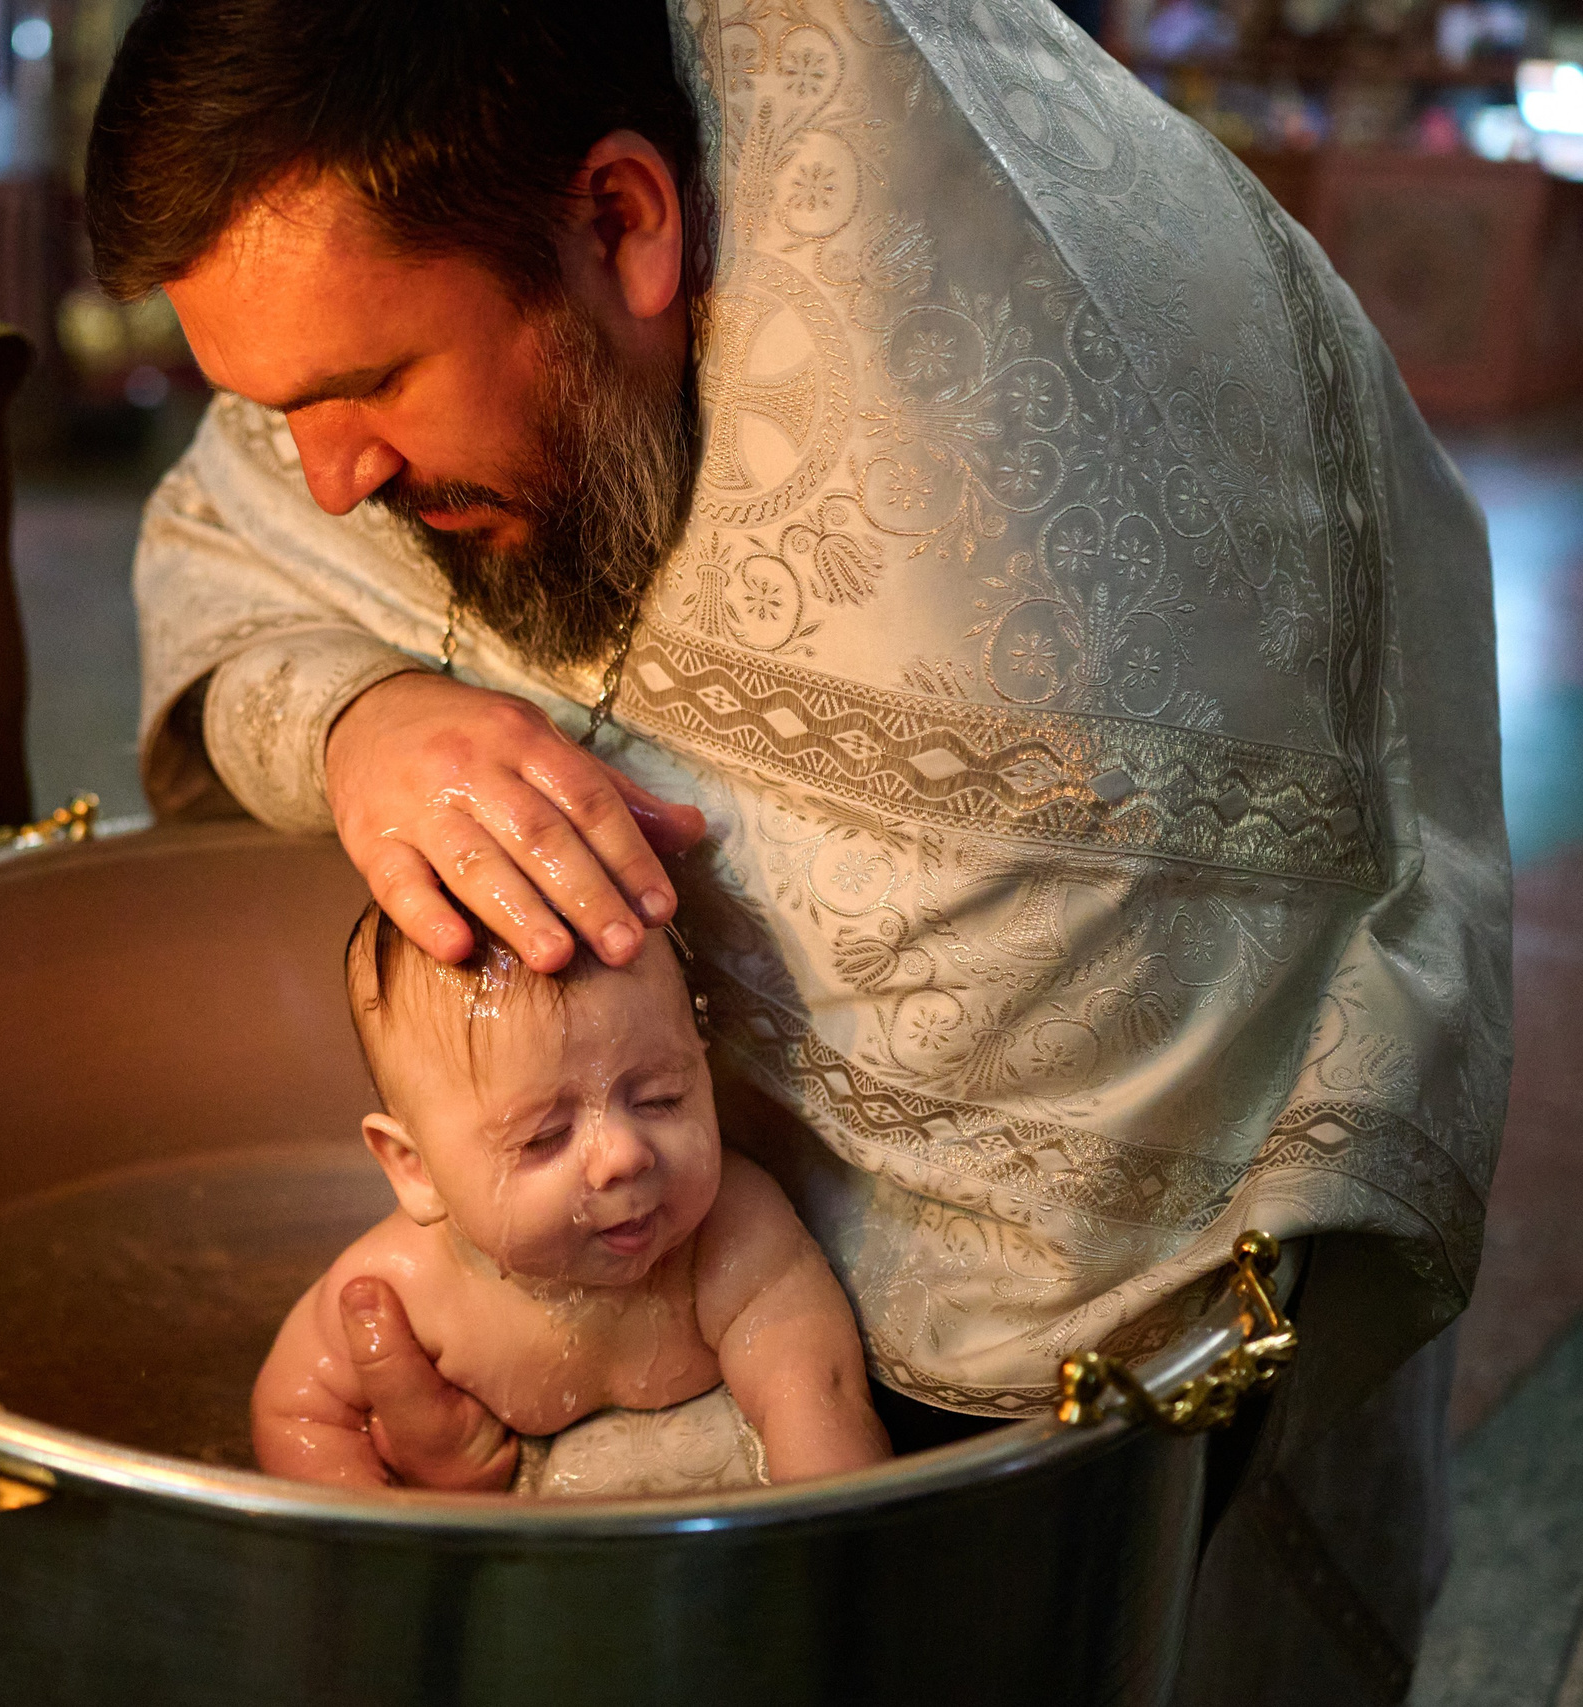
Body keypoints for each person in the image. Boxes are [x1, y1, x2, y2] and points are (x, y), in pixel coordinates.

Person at [88, 0, 1508, 1695]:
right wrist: (365, 716)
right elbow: (239, 555)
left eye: (372, 386)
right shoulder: (389, 227)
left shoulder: (988, 522)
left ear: (623, 220)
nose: (328, 481)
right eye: (278, 409)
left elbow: (980, 1406)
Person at [256, 903, 891, 1492]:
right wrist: (401, 1532)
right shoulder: (404, 1285)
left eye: (661, 1098)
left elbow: (820, 1400)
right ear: (417, 1169)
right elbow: (298, 1419)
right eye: (545, 1137)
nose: (624, 1155)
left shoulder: (733, 1234)